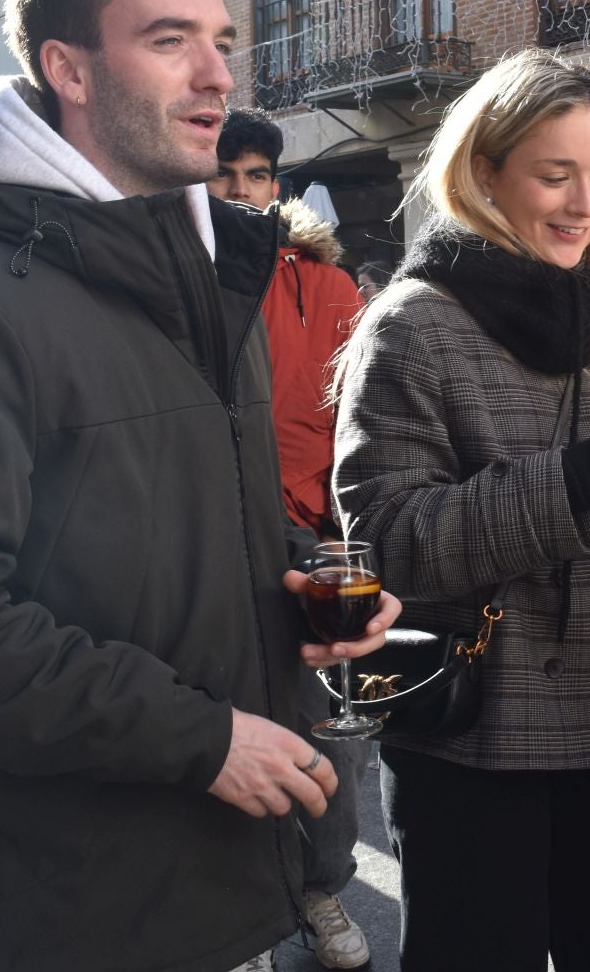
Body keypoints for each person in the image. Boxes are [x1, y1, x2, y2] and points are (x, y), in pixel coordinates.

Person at [0, 0, 400, 972]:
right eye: (170, 39)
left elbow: (157, 531)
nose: (218, 74)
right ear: (68, 67)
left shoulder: (200, 277)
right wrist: (201, 739)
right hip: (67, 914)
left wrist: (293, 595)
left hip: (229, 892)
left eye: (223, 40)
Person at [332, 49, 590, 972]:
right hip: (473, 733)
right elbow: (389, 543)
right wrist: (583, 478)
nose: (584, 204)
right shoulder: (412, 325)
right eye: (555, 175)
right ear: (484, 173)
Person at [207, 110, 371, 970]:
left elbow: (361, 420)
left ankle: (319, 888)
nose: (240, 188)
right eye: (224, 172)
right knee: (221, 727)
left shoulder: (331, 286)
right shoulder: (179, 280)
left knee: (325, 727)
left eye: (256, 173)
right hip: (206, 539)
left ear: (277, 184)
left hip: (312, 539)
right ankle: (245, 915)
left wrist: (349, 529)